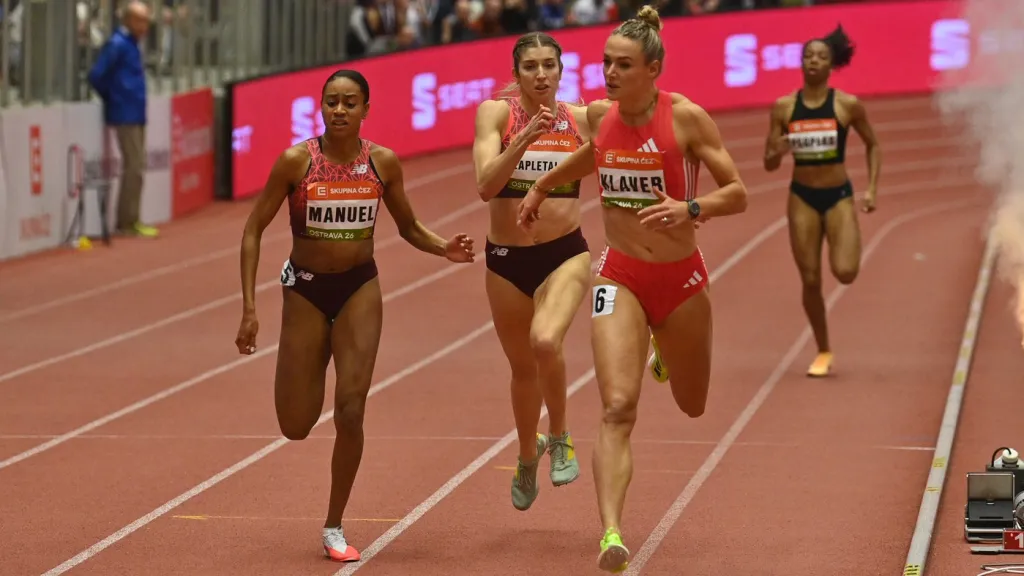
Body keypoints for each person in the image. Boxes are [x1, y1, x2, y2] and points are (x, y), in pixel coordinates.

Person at [517, 5, 748, 572]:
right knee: (617, 407)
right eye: (605, 64)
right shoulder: (599, 114)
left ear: (654, 69)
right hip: (619, 274)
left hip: (682, 279)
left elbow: (737, 192)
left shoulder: (687, 119)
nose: (609, 74)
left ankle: (663, 351)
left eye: (623, 65)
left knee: (692, 406)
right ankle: (612, 533)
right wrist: (540, 187)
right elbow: (590, 154)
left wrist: (690, 206)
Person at [234, 69, 476, 563]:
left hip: (359, 288)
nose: (339, 110)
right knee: (295, 424)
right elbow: (253, 229)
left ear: (366, 109)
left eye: (349, 103)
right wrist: (249, 308)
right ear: (319, 108)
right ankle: (308, 372)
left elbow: (408, 226)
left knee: (351, 407)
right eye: (331, 102)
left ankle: (333, 525)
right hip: (304, 291)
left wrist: (443, 247)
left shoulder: (381, 162)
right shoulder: (295, 163)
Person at [471, 31, 592, 512]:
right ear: (516, 73)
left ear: (562, 71)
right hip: (506, 261)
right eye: (531, 67)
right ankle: (527, 454)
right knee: (523, 371)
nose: (541, 75)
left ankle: (560, 435)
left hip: (565, 253)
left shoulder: (582, 119)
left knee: (546, 341)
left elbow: (628, 149)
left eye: (549, 66)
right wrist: (524, 137)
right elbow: (485, 186)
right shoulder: (495, 115)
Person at [762, 24, 881, 377]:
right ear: (801, 63)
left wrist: (872, 188)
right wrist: (779, 150)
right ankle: (823, 348)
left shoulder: (846, 105)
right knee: (811, 279)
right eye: (808, 56)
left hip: (838, 195)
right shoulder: (784, 108)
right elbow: (768, 164)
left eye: (821, 57)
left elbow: (873, 144)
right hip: (802, 196)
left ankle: (825, 345)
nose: (813, 61)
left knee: (845, 272)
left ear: (832, 65)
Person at [87, 0, 159, 238]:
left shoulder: (132, 44)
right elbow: (97, 75)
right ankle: (127, 221)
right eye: (140, 20)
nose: (145, 26)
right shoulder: (117, 44)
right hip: (124, 113)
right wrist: (113, 98)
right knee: (134, 166)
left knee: (137, 166)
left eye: (147, 21)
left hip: (136, 111)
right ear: (128, 20)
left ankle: (130, 219)